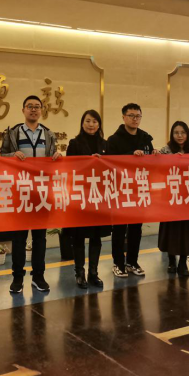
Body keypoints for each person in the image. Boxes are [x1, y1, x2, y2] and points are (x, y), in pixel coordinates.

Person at [1, 96, 62, 294]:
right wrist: (12, 155)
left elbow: (54, 158)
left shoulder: (48, 134)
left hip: (41, 192)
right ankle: (17, 278)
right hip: (20, 192)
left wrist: (58, 156)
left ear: (42, 110)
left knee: (40, 238)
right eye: (30, 107)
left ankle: (38, 276)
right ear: (23, 110)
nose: (33, 110)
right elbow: (1, 156)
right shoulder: (13, 133)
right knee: (18, 238)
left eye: (37, 107)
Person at [106, 103, 159, 278]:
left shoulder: (145, 138)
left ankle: (132, 262)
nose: (135, 119)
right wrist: (130, 155)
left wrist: (154, 154)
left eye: (138, 116)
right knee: (119, 229)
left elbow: (151, 163)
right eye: (131, 116)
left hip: (139, 189)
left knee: (136, 228)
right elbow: (109, 163)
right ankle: (118, 263)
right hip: (121, 190)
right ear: (123, 117)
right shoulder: (114, 140)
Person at [65, 110, 111, 289]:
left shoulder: (105, 144)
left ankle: (93, 273)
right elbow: (69, 167)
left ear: (99, 124)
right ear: (82, 123)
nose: (91, 125)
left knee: (96, 236)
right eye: (88, 121)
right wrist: (88, 161)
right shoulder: (74, 143)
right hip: (80, 196)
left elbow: (112, 167)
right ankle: (80, 273)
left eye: (95, 121)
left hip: (99, 197)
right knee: (78, 237)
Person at [158, 121, 189, 277]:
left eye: (183, 132)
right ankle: (171, 260)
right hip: (171, 196)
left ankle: (183, 261)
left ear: (187, 134)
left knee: (187, 229)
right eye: (176, 132)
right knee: (171, 229)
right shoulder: (165, 150)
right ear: (172, 134)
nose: (180, 135)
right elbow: (158, 169)